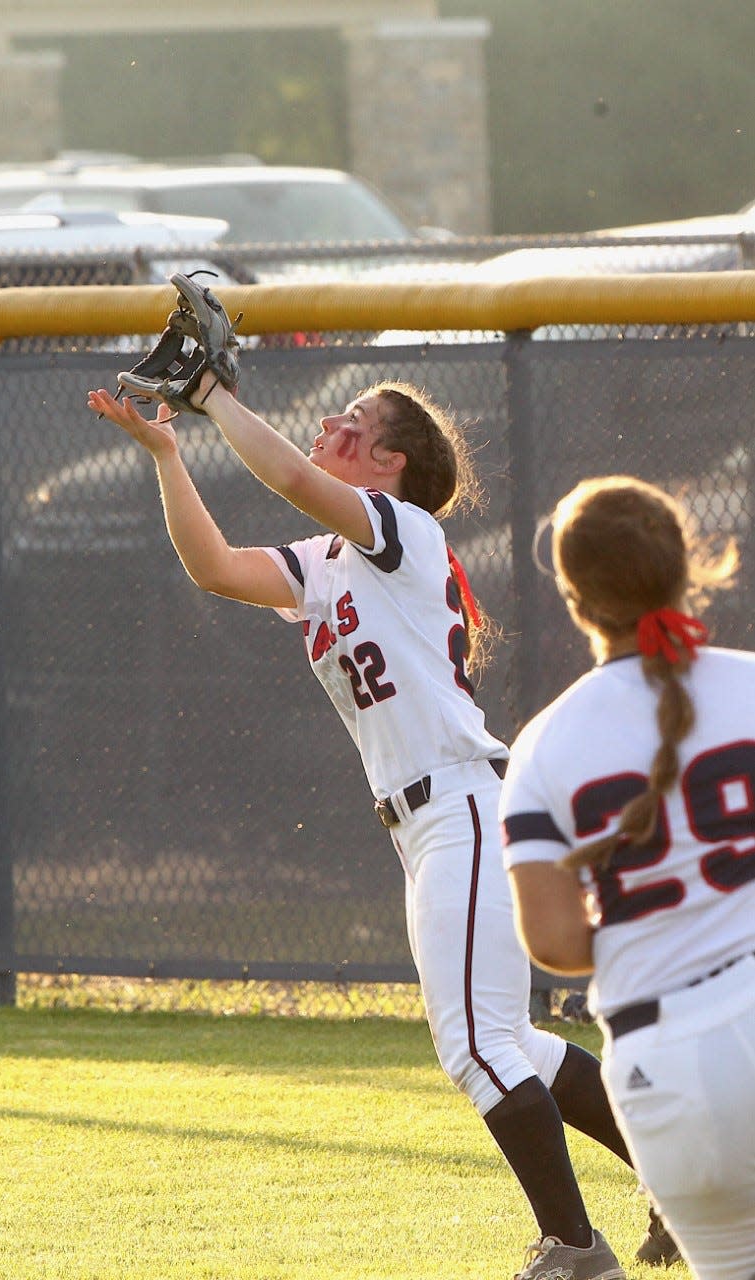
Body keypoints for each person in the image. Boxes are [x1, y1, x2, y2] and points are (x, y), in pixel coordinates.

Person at [87, 369, 673, 1279]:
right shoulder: (326, 561)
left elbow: (288, 476)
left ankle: (573, 1248)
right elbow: (214, 567)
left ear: (391, 464)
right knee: (509, 1041)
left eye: (355, 423)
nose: (331, 423)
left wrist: (214, 397)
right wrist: (169, 453)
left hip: (463, 802)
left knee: (475, 1046)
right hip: (425, 822)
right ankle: (681, 1190)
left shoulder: (405, 530)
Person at [501, 474, 753, 1280]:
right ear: (690, 567)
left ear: (573, 599)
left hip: (662, 1064)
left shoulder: (543, 744)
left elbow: (555, 943)